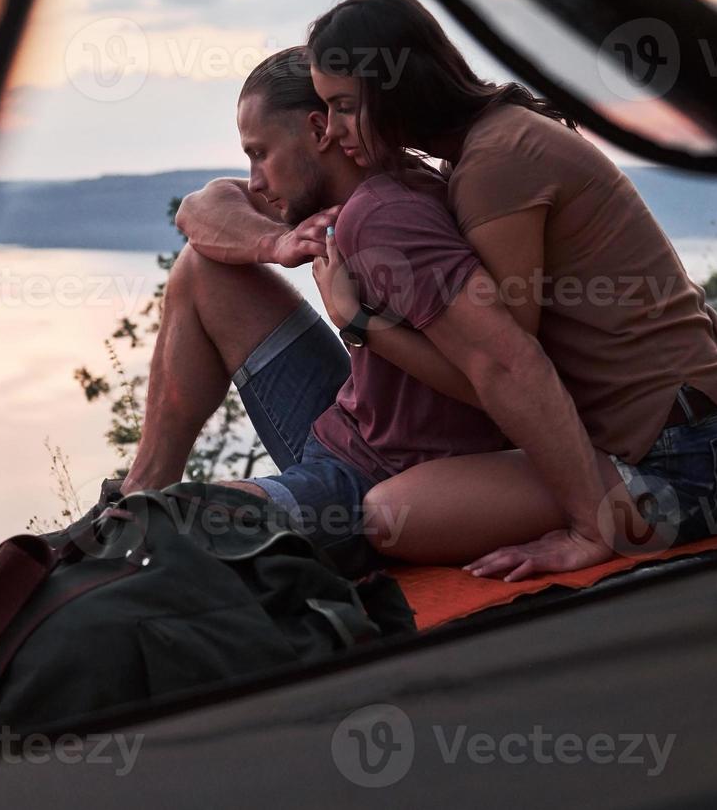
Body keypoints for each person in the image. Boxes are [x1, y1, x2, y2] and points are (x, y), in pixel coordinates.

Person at [110, 47, 646, 576]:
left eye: (260, 154)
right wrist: (279, 243)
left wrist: (358, 323)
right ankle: (140, 488)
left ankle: (137, 516)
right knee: (202, 269)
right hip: (348, 427)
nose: (254, 180)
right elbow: (199, 209)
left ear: (320, 131)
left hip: (387, 476)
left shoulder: (388, 219)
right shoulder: (367, 191)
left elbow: (499, 370)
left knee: (186, 525)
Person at [299, 0, 717, 579]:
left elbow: (505, 367)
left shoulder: (495, 163)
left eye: (344, 106)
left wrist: (361, 324)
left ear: (394, 86)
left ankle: (609, 515)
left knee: (392, 515)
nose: (335, 130)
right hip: (705, 432)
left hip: (689, 460)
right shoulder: (493, 141)